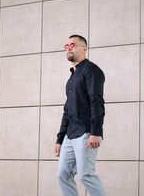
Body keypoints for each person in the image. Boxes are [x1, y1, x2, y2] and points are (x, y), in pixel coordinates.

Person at [54, 35, 106, 196]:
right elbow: (67, 110)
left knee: (86, 175)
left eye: (73, 44)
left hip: (86, 131)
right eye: (66, 45)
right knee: (63, 175)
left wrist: (95, 132)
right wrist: (60, 139)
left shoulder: (91, 70)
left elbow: (96, 101)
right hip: (70, 135)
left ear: (84, 48)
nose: (69, 47)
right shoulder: (72, 77)